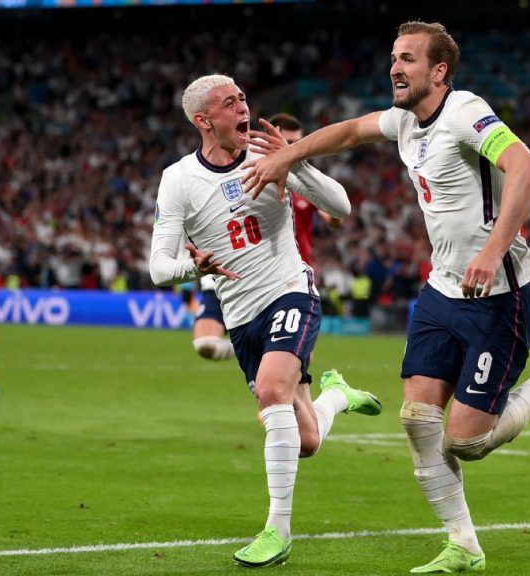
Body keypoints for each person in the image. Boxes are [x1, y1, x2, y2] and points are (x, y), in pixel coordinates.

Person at [243, 21, 530, 573]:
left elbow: (527, 169)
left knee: (467, 443)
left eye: (407, 59)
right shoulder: (405, 120)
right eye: (393, 58)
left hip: (498, 294)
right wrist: (288, 156)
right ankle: (464, 545)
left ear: (438, 72)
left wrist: (490, 249)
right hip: (442, 291)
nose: (395, 68)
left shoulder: (466, 113)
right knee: (416, 419)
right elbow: (350, 132)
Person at [148, 74, 383, 568]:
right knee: (307, 442)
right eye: (229, 103)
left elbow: (339, 206)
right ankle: (337, 395)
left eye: (243, 99)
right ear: (203, 120)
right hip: (240, 315)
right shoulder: (177, 180)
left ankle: (277, 530)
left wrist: (294, 159)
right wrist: (197, 267)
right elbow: (158, 268)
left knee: (272, 391)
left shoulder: (267, 153)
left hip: (290, 291)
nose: (243, 108)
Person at [191, 113, 340, 362]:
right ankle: (256, 354)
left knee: (295, 367)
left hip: (289, 277)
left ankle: (330, 398)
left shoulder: (302, 178)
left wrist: (316, 190)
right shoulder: (242, 171)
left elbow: (335, 218)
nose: (292, 148)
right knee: (206, 345)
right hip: (237, 271)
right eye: (287, 140)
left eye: (297, 143)